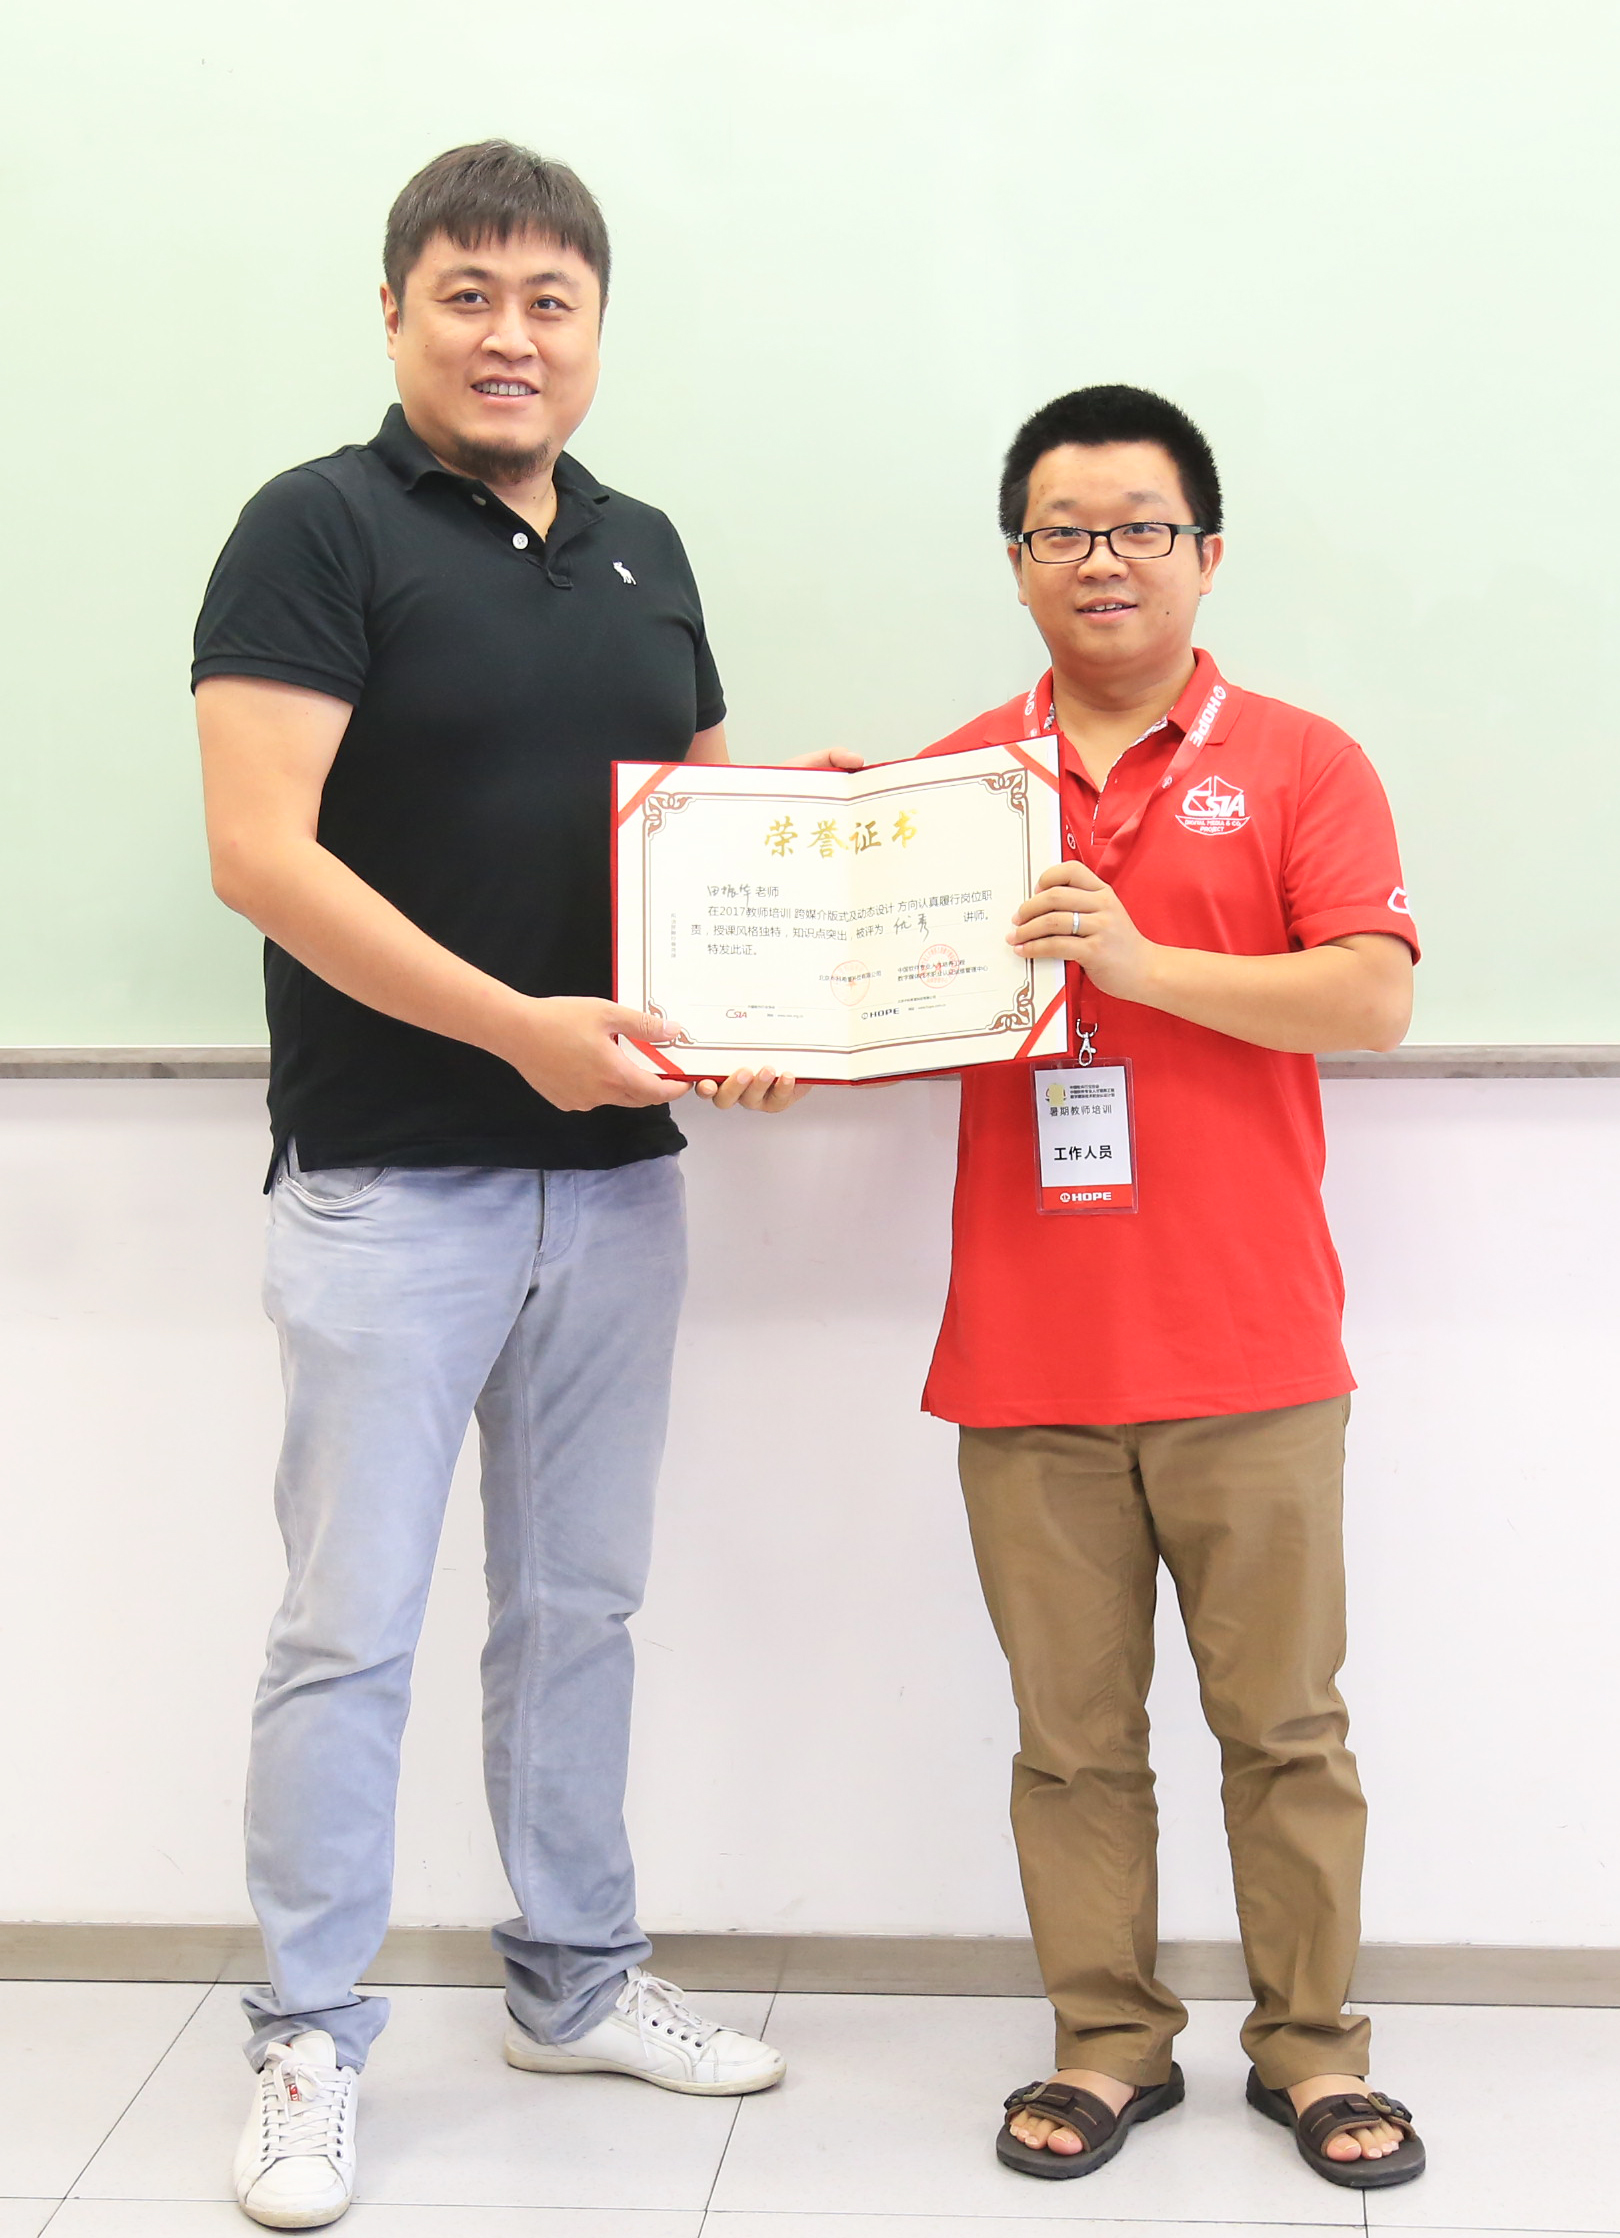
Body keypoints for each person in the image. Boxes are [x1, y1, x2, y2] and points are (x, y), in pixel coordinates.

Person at [195, 140, 851, 2230]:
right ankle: (308, 2037)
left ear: (594, 329)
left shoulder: (646, 547)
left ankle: (573, 1978)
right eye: (467, 293)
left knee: (579, 1609)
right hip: (395, 1185)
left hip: (618, 1187)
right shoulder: (313, 525)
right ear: (397, 314)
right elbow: (261, 855)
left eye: (548, 298)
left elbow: (704, 836)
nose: (510, 334)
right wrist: (518, 1031)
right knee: (349, 1628)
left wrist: (814, 903)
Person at [919, 386, 1426, 2191]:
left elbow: (1371, 993)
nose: (1103, 559)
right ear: (1017, 563)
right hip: (1027, 1350)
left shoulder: (1300, 761)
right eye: (1063, 530)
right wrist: (766, 1033)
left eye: (1141, 526)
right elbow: (876, 993)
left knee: (1286, 1730)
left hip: (1251, 1341)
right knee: (1071, 1746)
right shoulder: (952, 789)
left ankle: (1314, 2049)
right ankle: (1108, 2040)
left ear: (1206, 553)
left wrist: (1141, 963)